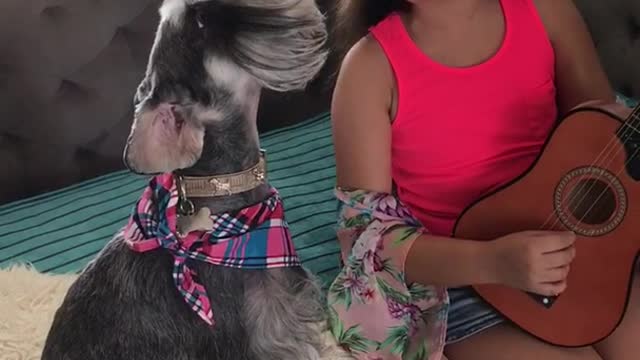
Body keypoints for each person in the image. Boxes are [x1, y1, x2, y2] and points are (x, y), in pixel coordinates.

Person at [326, 0, 639, 359]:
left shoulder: (546, 10)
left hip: (581, 250)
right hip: (461, 283)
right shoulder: (369, 68)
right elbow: (367, 245)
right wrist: (495, 261)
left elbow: (606, 141)